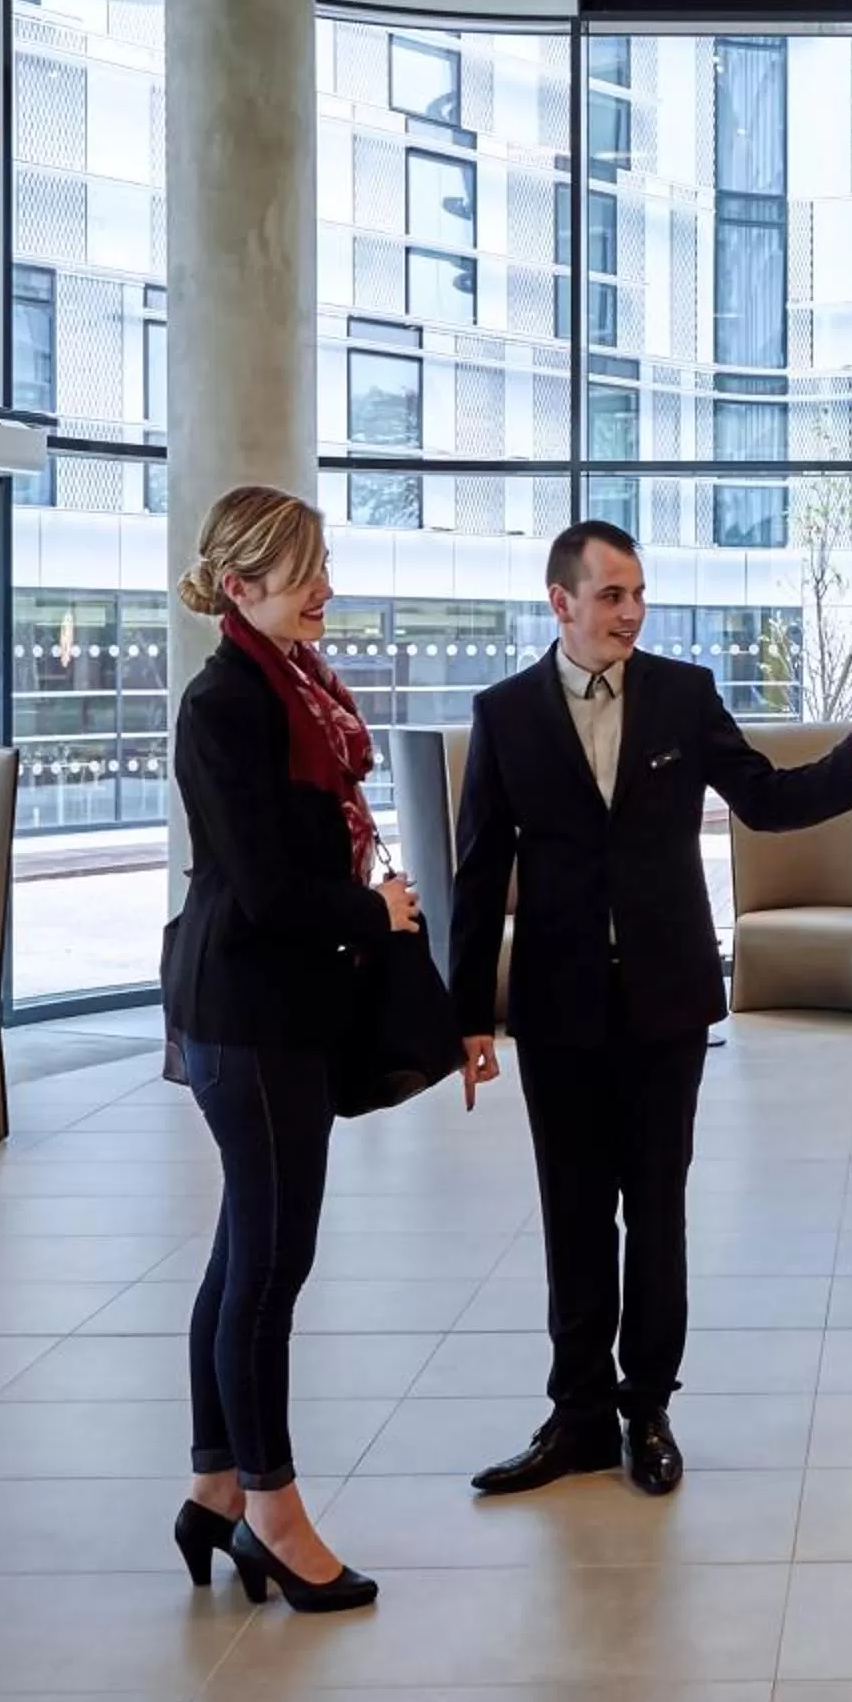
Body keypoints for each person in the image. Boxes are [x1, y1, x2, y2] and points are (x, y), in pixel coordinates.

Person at [452, 519, 852, 1499]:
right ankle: (577, 1414)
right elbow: (477, 874)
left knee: (656, 1207)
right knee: (574, 1214)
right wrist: (467, 1015)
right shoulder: (505, 714)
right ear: (561, 602)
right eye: (612, 594)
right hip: (558, 1006)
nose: (631, 611)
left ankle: (648, 1408)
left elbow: (764, 797)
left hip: (664, 1000)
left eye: (638, 593)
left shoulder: (683, 692)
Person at [162, 485, 499, 1613]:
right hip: (248, 1012)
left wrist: (367, 903)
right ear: (242, 583)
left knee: (240, 1254)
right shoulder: (229, 703)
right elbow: (263, 888)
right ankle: (273, 1509)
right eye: (303, 571)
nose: (325, 588)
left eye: (322, 566)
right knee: (269, 1265)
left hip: (269, 1009)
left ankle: (216, 1481)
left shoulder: (290, 688)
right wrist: (381, 914)